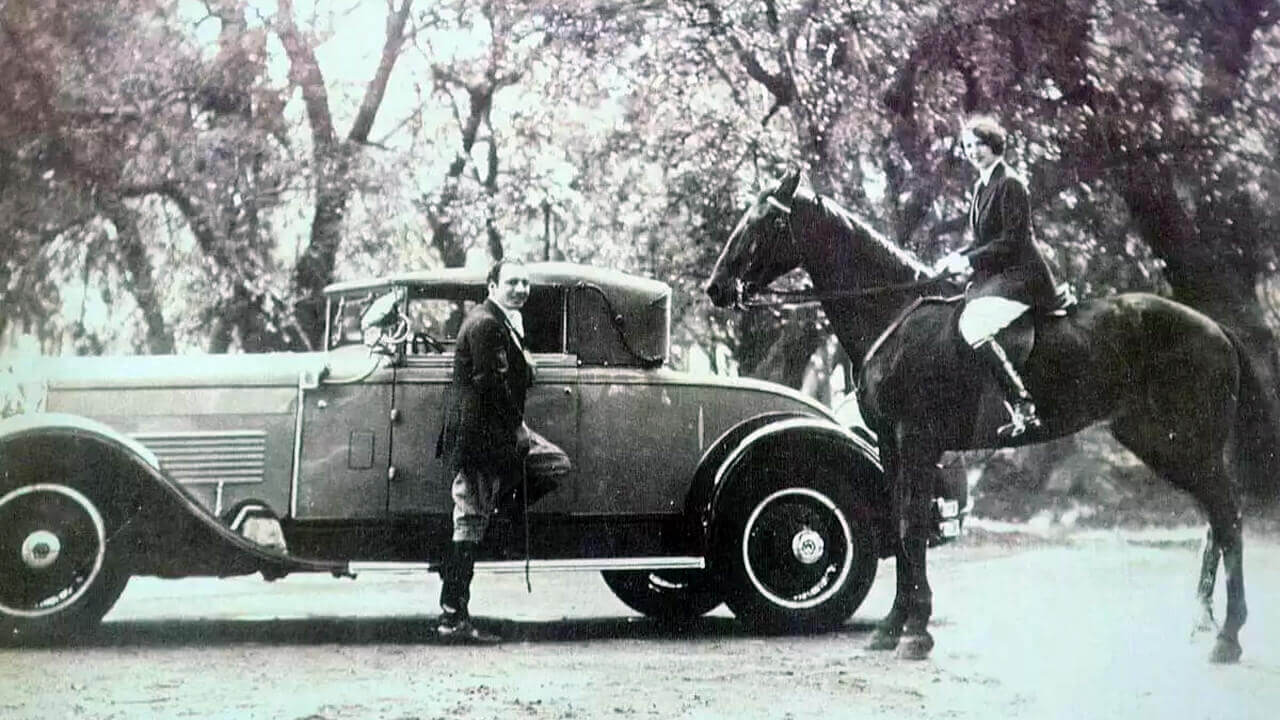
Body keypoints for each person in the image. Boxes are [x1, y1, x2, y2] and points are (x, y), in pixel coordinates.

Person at [935, 114, 1058, 438]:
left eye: (979, 145)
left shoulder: (1010, 183)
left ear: (993, 145)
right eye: (967, 147)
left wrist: (969, 260)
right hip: (1001, 277)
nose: (973, 152)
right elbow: (981, 241)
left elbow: (1012, 240)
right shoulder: (981, 186)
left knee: (974, 325)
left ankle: (1022, 403)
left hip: (1024, 277)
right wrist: (956, 258)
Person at [434, 258, 534, 643]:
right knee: (469, 519)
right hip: (479, 437)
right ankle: (452, 616)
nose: (521, 289)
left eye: (525, 283)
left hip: (485, 436)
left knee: (473, 517)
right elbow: (490, 383)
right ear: (492, 286)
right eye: (512, 282)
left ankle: (453, 611)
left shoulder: (497, 321)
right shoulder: (486, 324)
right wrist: (518, 426)